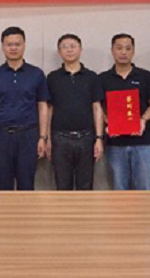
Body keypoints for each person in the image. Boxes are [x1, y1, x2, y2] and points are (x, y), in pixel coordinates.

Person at [0, 26, 50, 191]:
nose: (13, 48)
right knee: (2, 185)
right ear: (3, 46)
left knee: (27, 185)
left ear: (24, 45)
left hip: (28, 135)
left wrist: (42, 137)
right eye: (9, 44)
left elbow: (42, 106)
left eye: (17, 44)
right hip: (1, 135)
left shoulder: (36, 74)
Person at [99, 33, 150, 191]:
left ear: (133, 51)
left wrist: (143, 120)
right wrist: (108, 121)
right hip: (115, 144)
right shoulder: (103, 78)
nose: (123, 52)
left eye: (127, 48)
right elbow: (98, 107)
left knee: (145, 189)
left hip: (142, 142)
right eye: (119, 48)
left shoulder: (145, 76)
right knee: (119, 190)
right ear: (112, 51)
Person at [45, 34, 105, 190]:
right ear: (59, 52)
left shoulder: (91, 77)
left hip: (86, 138)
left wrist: (99, 138)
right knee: (62, 185)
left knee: (86, 186)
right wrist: (48, 139)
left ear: (80, 49)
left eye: (73, 46)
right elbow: (49, 109)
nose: (69, 50)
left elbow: (97, 108)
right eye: (64, 47)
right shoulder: (53, 78)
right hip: (60, 138)